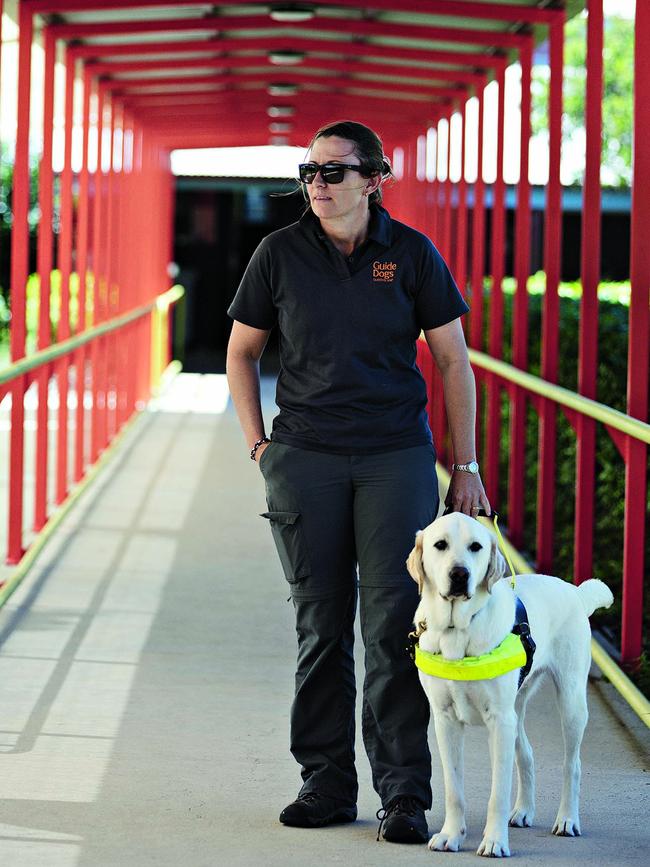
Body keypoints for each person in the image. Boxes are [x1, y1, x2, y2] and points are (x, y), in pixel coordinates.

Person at [226, 120, 490, 845]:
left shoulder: (410, 254)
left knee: (392, 626)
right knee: (319, 625)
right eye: (309, 170)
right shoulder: (277, 253)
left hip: (393, 455)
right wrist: (259, 444)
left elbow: (453, 360)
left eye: (334, 172)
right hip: (303, 456)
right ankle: (325, 781)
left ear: (374, 178)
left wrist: (463, 468)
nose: (318, 182)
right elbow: (242, 350)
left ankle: (402, 793)